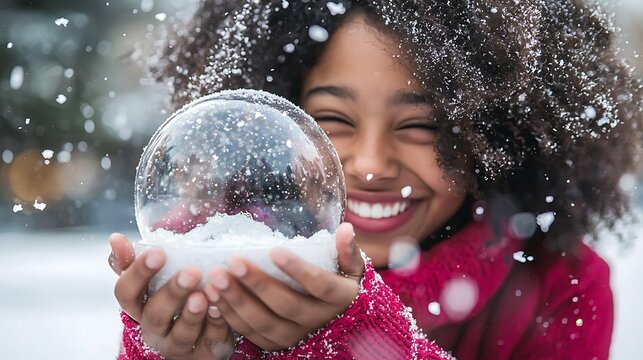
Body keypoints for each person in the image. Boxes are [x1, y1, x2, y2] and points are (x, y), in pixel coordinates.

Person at [108, 0, 642, 359]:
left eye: (423, 125)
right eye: (334, 120)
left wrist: (366, 340)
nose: (368, 164)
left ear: (499, 133)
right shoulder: (210, 268)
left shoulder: (561, 284)